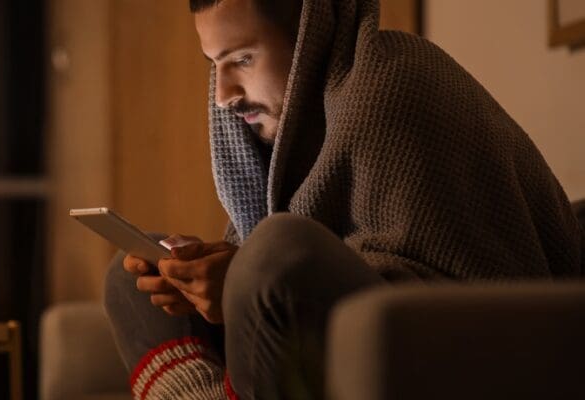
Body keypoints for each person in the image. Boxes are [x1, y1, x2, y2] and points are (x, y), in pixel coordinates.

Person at [104, 0, 583, 399]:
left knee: (274, 252)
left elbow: (463, 292)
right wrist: (208, 278)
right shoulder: (287, 140)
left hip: (452, 352)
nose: (224, 95)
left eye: (243, 60)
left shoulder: (395, 83)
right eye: (215, 66)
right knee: (132, 277)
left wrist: (244, 277)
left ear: (309, 37)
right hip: (328, 346)